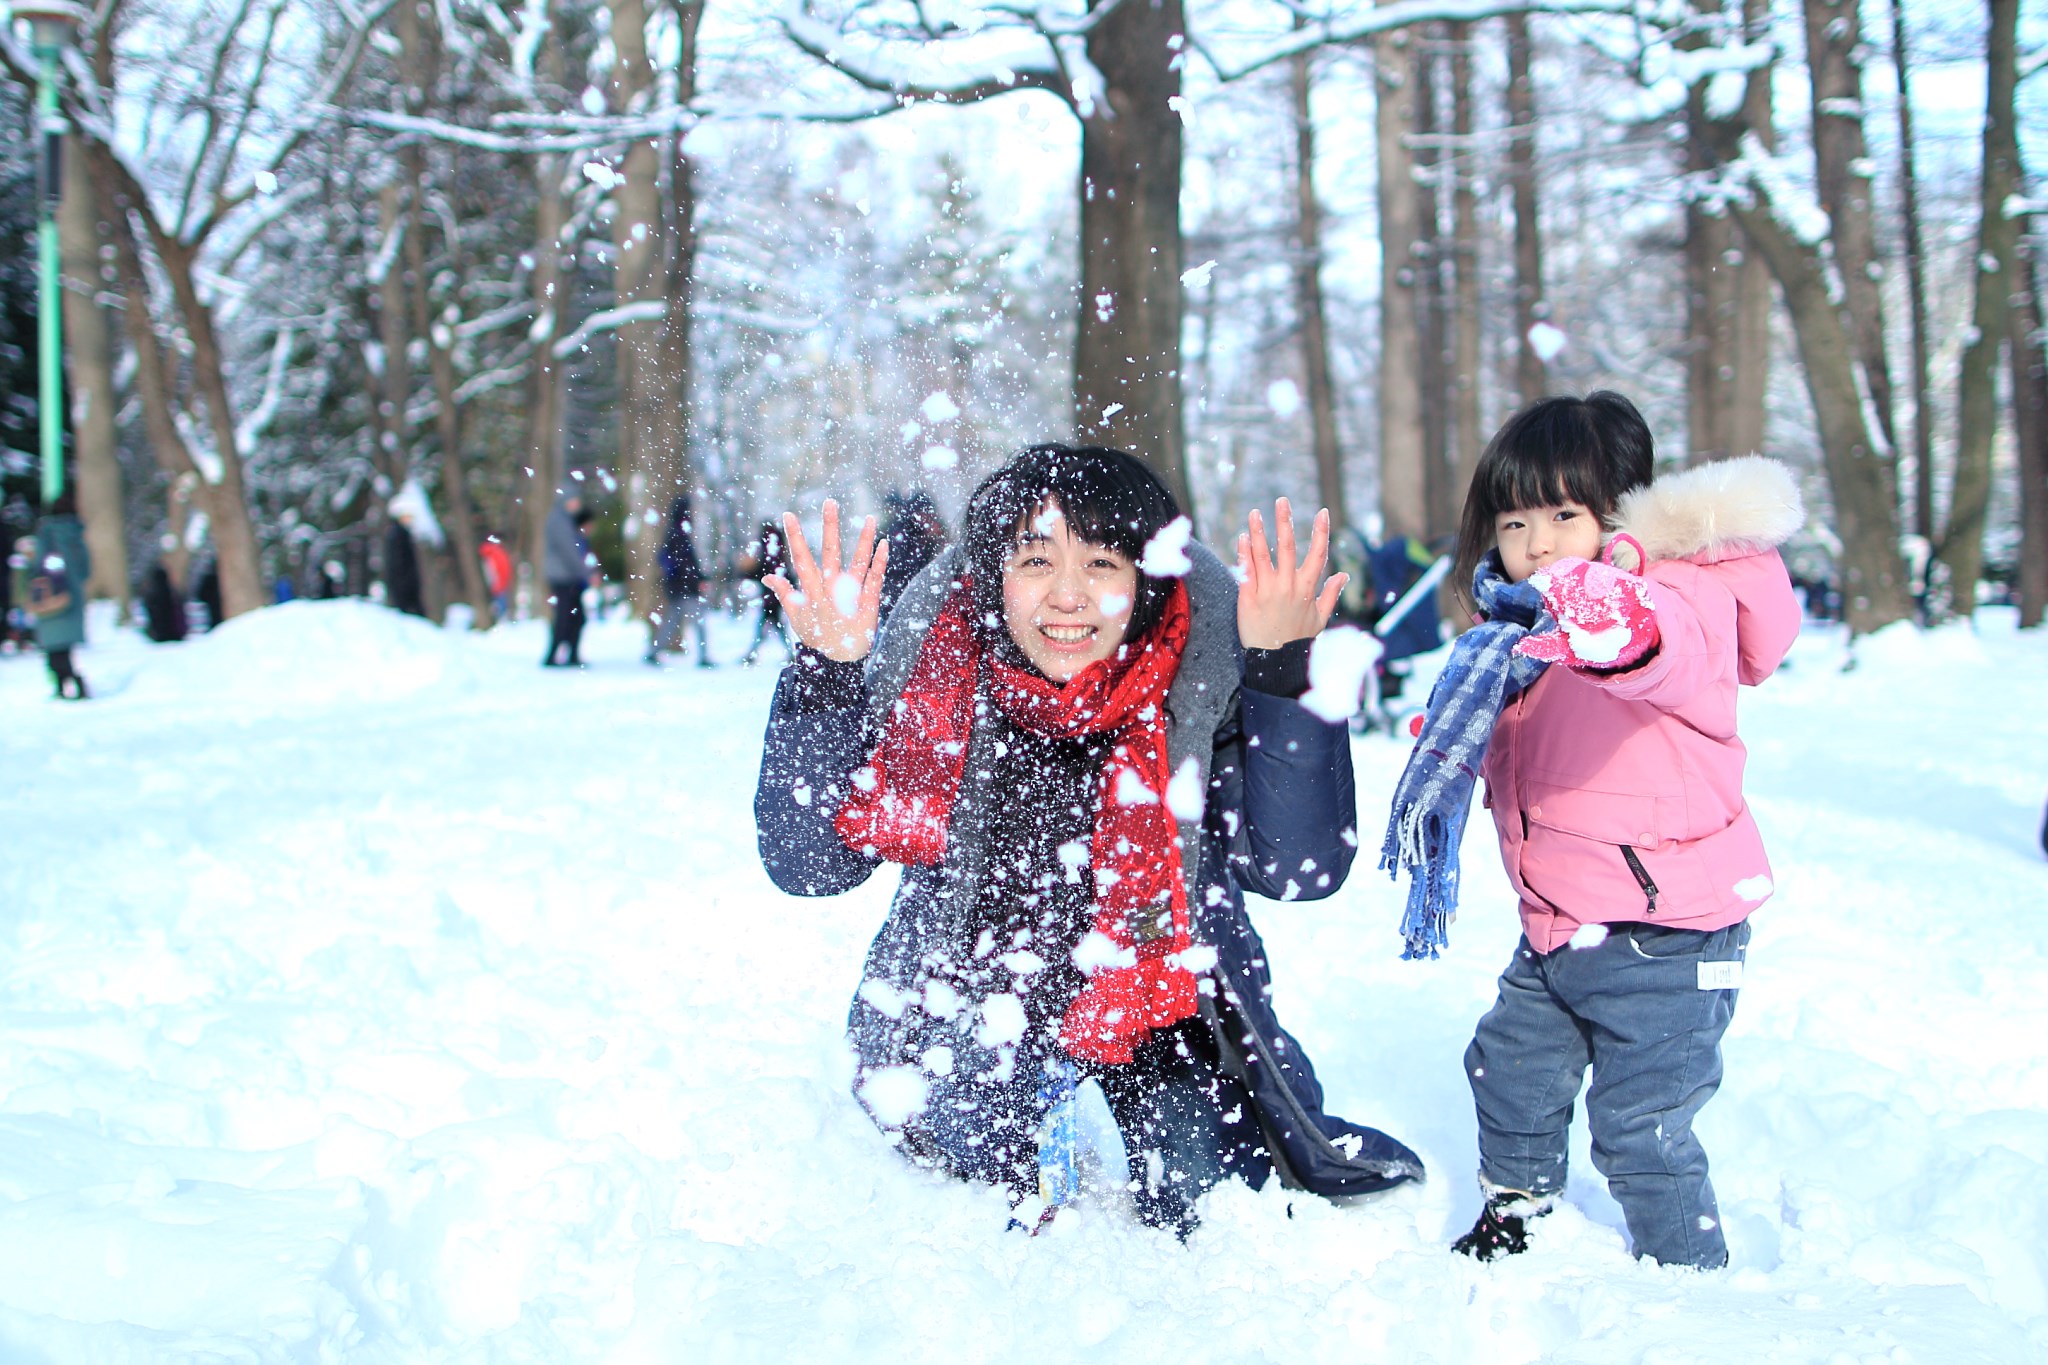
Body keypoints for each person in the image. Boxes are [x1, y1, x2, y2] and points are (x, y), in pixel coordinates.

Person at [754, 445, 1422, 1238]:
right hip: (975, 978)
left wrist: (1282, 671)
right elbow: (808, 866)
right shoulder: (943, 664)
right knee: (964, 1164)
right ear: (993, 574)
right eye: (1036, 560)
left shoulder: (1198, 670)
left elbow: (1299, 868)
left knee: (1211, 1190)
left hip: (1158, 979)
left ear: (1143, 580)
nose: (1067, 596)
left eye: (1101, 561)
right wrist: (826, 675)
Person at [1381, 393, 1802, 1270]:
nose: (1537, 542)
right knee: (1507, 1066)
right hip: (1560, 925)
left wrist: (1619, 624)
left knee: (1639, 1126)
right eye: (1514, 520)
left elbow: (1666, 650)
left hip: (1668, 939)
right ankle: (1521, 1204)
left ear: (1619, 517)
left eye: (1565, 515)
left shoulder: (1670, 600)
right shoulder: (1511, 640)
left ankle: (1690, 1275)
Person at [28, 499, 93, 700]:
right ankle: (73, 682)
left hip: (50, 598)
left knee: (53, 649)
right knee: (65, 648)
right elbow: (85, 570)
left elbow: (39, 566)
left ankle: (65, 685)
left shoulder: (47, 535)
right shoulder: (76, 534)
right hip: (70, 598)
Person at [646, 494, 713, 667]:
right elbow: (687, 564)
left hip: (677, 585)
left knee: (672, 621)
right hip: (685, 586)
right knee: (697, 622)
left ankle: (654, 652)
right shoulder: (681, 535)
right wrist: (697, 581)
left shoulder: (673, 532)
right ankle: (703, 656)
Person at [877, 488, 949, 621]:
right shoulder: (902, 535)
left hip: (919, 599)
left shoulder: (932, 532)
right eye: (921, 513)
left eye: (928, 513)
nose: (925, 518)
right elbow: (901, 567)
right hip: (899, 599)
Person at [543, 493, 594, 667]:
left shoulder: (564, 520)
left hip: (568, 577)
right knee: (567, 618)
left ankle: (569, 655)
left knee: (574, 617)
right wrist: (586, 573)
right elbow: (570, 552)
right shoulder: (560, 521)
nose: (576, 505)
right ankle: (553, 656)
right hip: (564, 578)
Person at [737, 520, 790, 667]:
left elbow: (765, 570)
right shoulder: (778, 548)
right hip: (775, 594)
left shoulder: (770, 549)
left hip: (771, 594)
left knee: (769, 625)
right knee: (774, 626)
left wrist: (749, 573)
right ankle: (754, 653)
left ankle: (752, 653)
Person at [384, 510, 426, 617]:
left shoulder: (401, 533)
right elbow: (398, 561)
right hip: (403, 581)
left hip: (405, 580)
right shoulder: (398, 534)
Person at [141, 560, 187, 642]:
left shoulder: (153, 593)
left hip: (160, 632)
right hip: (173, 632)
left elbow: (149, 608)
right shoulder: (171, 592)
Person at [479, 535, 513, 621]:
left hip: (499, 583)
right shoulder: (495, 553)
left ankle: (501, 619)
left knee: (500, 603)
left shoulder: (493, 555)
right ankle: (501, 620)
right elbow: (495, 570)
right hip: (500, 582)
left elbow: (493, 571)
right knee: (501, 603)